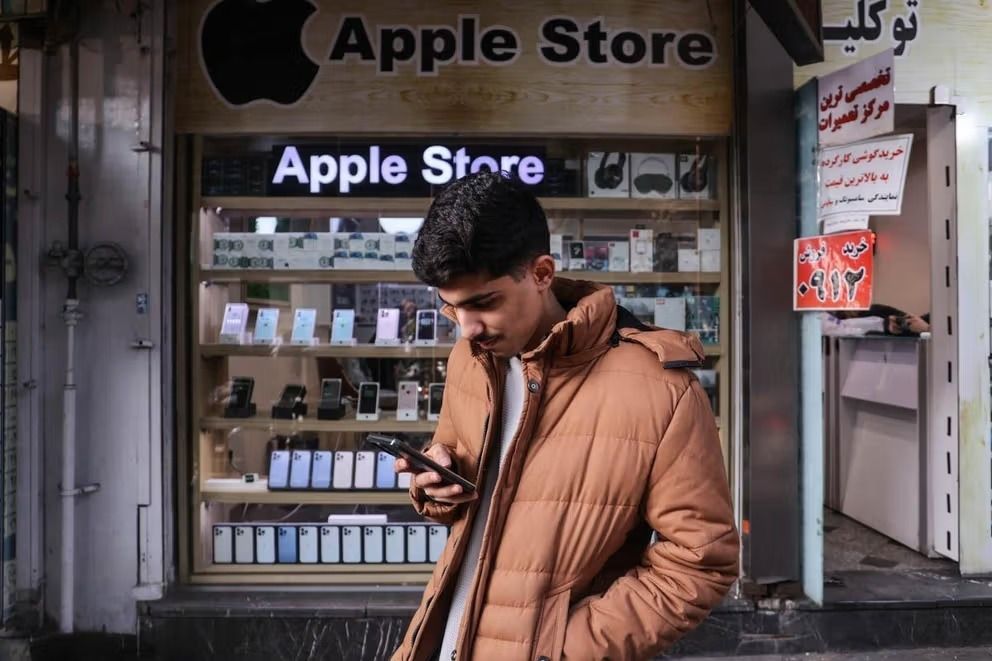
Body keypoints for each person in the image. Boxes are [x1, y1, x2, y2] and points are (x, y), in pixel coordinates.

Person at [392, 171, 739, 661]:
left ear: (541, 273)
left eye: (483, 303)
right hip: (443, 641)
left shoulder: (663, 390)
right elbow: (468, 493)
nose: (467, 329)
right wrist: (435, 484)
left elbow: (702, 562)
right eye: (451, 308)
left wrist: (564, 649)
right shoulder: (468, 360)